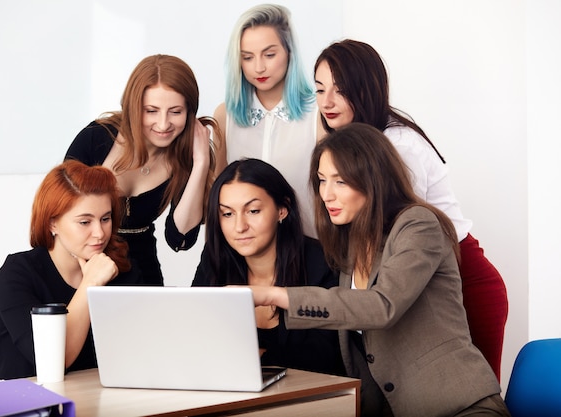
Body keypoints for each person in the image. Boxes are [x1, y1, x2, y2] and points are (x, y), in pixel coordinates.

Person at [248, 124, 510, 416]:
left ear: (372, 179)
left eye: (340, 182)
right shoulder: (351, 246)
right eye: (322, 180)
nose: (326, 194)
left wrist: (275, 295)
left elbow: (382, 305)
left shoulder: (417, 225)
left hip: (461, 407)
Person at [313, 39, 508, 381]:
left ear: (365, 89)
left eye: (340, 90)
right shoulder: (354, 145)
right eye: (319, 89)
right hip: (421, 280)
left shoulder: (400, 147)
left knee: (468, 393)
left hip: (466, 280)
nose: (326, 102)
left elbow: (393, 237)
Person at [65, 54, 217, 286]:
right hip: (83, 265)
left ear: (189, 112)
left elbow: (180, 239)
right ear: (134, 107)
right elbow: (59, 209)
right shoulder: (97, 137)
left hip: (141, 270)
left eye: (175, 112)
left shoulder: (186, 160)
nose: (163, 124)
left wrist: (200, 164)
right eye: (151, 111)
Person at [0, 160, 147, 379]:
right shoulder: (17, 275)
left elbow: (144, 350)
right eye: (85, 222)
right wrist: (89, 284)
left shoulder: (121, 268)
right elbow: (55, 359)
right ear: (52, 223)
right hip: (26, 404)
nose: (100, 233)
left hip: (100, 401)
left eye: (105, 219)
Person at [192, 158, 344, 376]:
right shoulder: (214, 258)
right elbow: (195, 336)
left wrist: (254, 357)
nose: (239, 227)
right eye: (227, 213)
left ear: (282, 209)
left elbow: (323, 358)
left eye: (253, 211)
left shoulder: (321, 263)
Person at [214, 3, 326, 238]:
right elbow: (218, 197)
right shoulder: (226, 116)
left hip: (308, 250)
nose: (259, 67)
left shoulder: (317, 112)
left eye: (269, 54)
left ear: (289, 52)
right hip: (244, 253)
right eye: (247, 57)